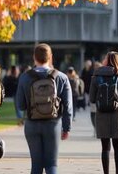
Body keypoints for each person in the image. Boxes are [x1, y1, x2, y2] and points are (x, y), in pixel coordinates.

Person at [15, 43, 73, 174]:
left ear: (34, 57)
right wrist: (66, 128)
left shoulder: (25, 77)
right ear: (50, 57)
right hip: (53, 125)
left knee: (36, 165)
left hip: (32, 125)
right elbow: (68, 107)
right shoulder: (62, 77)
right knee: (51, 164)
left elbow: (20, 105)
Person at [90, 52, 118, 174]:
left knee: (105, 147)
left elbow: (92, 98)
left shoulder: (96, 75)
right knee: (117, 146)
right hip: (117, 113)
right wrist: (117, 102)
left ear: (107, 60)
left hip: (101, 114)